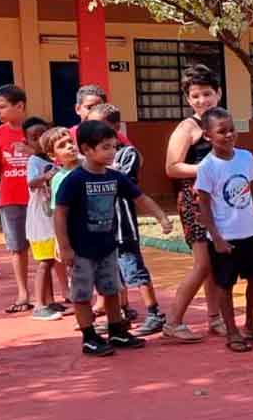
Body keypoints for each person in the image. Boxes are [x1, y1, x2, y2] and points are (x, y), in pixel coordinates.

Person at [55, 120, 172, 356]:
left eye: (114, 147)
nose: (113, 152)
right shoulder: (75, 180)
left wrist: (161, 216)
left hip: (108, 247)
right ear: (87, 150)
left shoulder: (115, 177)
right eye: (106, 147)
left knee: (111, 290)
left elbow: (140, 197)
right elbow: (60, 213)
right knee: (82, 295)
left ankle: (116, 330)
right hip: (82, 250)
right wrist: (65, 246)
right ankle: (89, 337)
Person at [193, 107, 253, 353]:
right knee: (225, 284)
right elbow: (204, 206)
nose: (229, 135)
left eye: (232, 130)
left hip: (249, 232)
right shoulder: (207, 167)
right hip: (224, 237)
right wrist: (216, 237)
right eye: (222, 132)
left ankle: (251, 323)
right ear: (207, 136)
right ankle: (232, 330)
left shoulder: (245, 157)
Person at [85, 104, 167, 335]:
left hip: (123, 226)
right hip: (102, 228)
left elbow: (122, 182)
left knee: (134, 268)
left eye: (100, 125)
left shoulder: (127, 154)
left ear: (116, 127)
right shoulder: (91, 157)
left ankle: (154, 313)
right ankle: (121, 313)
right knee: (113, 273)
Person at [160, 64, 225, 343]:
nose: (202, 100)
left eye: (207, 94)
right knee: (202, 264)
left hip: (219, 201)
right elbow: (172, 167)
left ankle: (215, 319)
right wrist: (206, 169)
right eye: (196, 96)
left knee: (214, 262)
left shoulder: (222, 122)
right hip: (194, 201)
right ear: (188, 99)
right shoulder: (187, 127)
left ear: (218, 94)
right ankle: (172, 322)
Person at [0, 84, 33, 313]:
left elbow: (51, 161)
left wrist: (31, 151)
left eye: (2, 106)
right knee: (17, 248)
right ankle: (22, 293)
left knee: (48, 245)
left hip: (37, 197)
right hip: (10, 197)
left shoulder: (36, 129)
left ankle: (64, 292)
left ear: (20, 106)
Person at [24, 117, 69, 321]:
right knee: (44, 262)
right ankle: (39, 305)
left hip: (50, 220)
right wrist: (48, 176)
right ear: (28, 142)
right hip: (40, 221)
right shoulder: (34, 161)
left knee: (50, 260)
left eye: (42, 134)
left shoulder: (51, 161)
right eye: (33, 137)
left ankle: (50, 301)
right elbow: (32, 183)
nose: (38, 139)